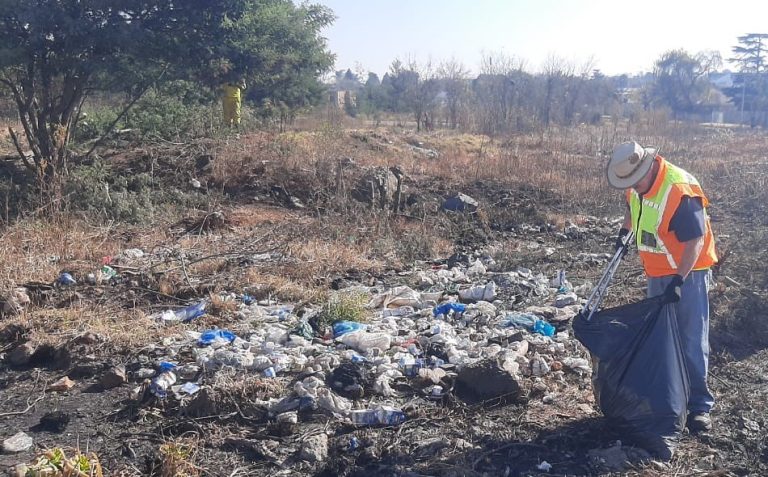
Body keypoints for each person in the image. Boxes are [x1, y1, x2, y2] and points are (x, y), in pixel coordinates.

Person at [606, 141, 718, 433]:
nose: (632, 187)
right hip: (657, 273)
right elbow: (635, 209)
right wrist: (624, 233)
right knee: (662, 338)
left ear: (648, 167)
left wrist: (679, 281)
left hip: (689, 273)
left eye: (634, 181)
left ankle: (699, 406)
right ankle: (670, 399)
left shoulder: (679, 191)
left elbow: (695, 241)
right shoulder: (636, 184)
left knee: (691, 339)